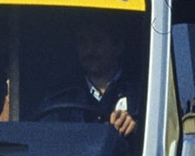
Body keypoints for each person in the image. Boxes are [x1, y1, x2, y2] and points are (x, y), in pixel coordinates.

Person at [43, 15, 144, 143]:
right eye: (83, 42)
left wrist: (136, 129)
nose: (90, 50)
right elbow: (44, 140)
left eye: (98, 41)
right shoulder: (60, 97)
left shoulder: (143, 93)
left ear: (118, 47)